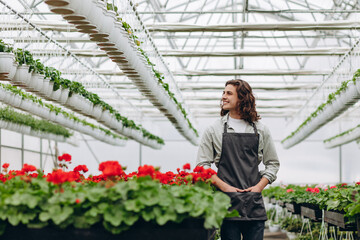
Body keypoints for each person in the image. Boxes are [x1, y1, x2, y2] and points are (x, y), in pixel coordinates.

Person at [196, 79, 280, 240]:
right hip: (226, 203)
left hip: (253, 202)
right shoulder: (214, 129)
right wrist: (225, 188)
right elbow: (202, 165)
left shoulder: (260, 129)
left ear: (242, 98)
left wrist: (258, 187)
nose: (223, 97)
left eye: (229, 93)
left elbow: (273, 163)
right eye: (223, 92)